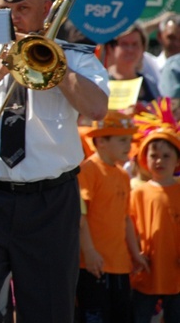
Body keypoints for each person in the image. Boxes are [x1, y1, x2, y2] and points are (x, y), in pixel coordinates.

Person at [0, 0, 109, 322]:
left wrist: (57, 66)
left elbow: (97, 108)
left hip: (50, 202)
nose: (14, 17)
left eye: (23, 8)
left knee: (49, 308)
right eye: (7, 8)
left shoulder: (75, 57)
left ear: (46, 8)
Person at [76, 111, 149, 322]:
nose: (129, 146)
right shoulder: (88, 170)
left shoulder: (122, 174)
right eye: (122, 140)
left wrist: (134, 254)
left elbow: (125, 218)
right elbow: (81, 215)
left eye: (130, 140)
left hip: (120, 264)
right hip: (94, 265)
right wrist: (89, 252)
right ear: (101, 141)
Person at [129, 128, 180, 323]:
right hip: (147, 271)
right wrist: (135, 254)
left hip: (176, 272)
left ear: (177, 160)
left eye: (166, 156)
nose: (159, 161)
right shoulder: (138, 193)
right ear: (145, 159)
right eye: (154, 156)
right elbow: (130, 226)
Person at [105, 24, 160, 107]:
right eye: (124, 44)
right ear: (111, 48)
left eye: (135, 44)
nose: (130, 50)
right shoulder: (101, 82)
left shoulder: (151, 84)